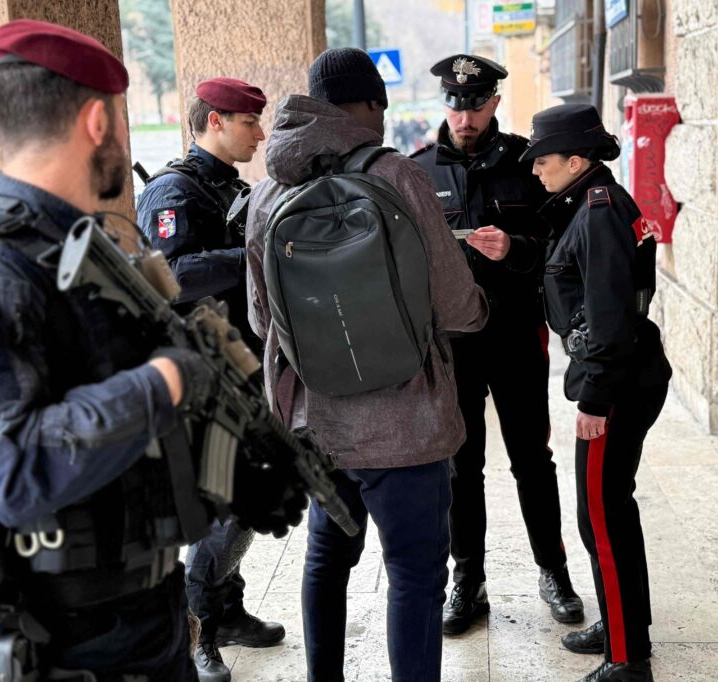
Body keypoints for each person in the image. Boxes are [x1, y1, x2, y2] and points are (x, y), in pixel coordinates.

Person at [0, 20, 300, 680]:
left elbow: (111, 427)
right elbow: (7, 470)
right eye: (120, 117)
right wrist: (166, 380)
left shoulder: (85, 254)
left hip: (145, 613)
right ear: (97, 122)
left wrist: (231, 480)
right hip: (68, 644)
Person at [245, 47, 489, 682]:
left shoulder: (267, 191)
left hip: (317, 421)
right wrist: (477, 310)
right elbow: (454, 303)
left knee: (326, 561)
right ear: (372, 105)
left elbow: (261, 320)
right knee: (414, 575)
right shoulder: (397, 175)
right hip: (405, 422)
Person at [410, 54, 583, 635]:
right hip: (452, 343)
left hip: (515, 335)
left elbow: (562, 248)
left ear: (494, 104)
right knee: (461, 466)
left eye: (476, 105)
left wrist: (515, 248)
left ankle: (553, 571)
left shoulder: (528, 164)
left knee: (532, 459)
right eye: (455, 105)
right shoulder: (417, 171)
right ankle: (468, 581)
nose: (465, 117)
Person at [136, 77, 282, 682]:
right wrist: (254, 253)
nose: (260, 134)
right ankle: (198, 630)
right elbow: (169, 277)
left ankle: (225, 610)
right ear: (214, 121)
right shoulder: (172, 191)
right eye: (249, 122)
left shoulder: (229, 186)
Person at [521, 104, 672, 682]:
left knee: (602, 520)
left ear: (576, 161)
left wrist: (595, 400)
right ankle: (621, 624)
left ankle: (627, 659)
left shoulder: (598, 212)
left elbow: (610, 317)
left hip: (617, 383)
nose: (536, 170)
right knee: (609, 513)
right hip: (624, 374)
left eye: (544, 160)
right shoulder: (589, 204)